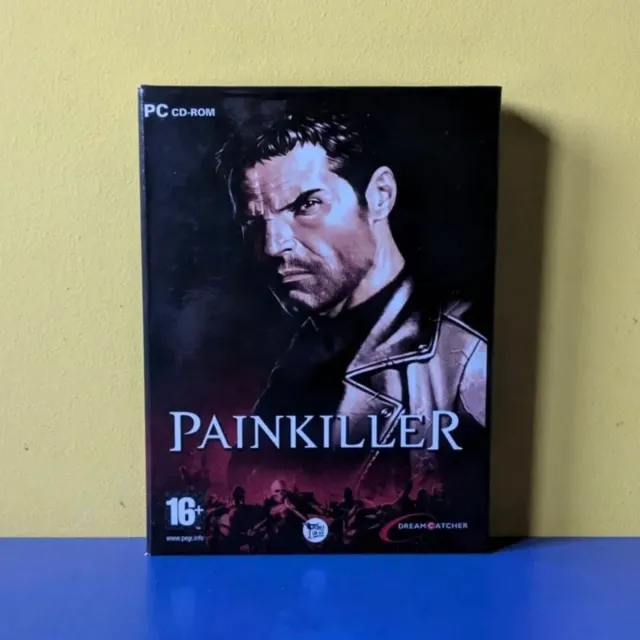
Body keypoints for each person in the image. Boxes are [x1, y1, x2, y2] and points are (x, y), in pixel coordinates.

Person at [216, 110, 488, 520]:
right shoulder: (294, 362)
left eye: (306, 205)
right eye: (253, 221)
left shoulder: (469, 357)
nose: (273, 245)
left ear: (380, 195)